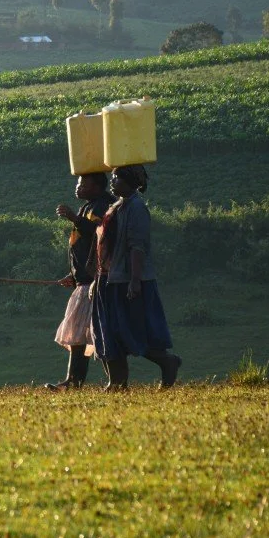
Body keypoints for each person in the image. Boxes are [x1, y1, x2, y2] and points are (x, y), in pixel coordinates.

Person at [91, 164, 182, 390]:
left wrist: (134, 279)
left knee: (131, 329)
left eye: (117, 178)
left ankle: (167, 362)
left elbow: (137, 247)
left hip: (126, 279)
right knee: (109, 330)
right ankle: (117, 382)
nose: (112, 182)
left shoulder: (137, 209)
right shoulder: (117, 207)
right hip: (108, 277)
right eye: (112, 178)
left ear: (131, 183)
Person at [46, 172, 114, 391]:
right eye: (78, 183)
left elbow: (99, 235)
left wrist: (75, 219)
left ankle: (114, 381)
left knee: (98, 334)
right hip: (85, 282)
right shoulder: (89, 206)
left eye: (83, 183)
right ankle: (73, 381)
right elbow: (84, 249)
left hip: (97, 282)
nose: (78, 187)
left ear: (98, 186)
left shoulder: (103, 206)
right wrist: (74, 276)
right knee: (78, 334)